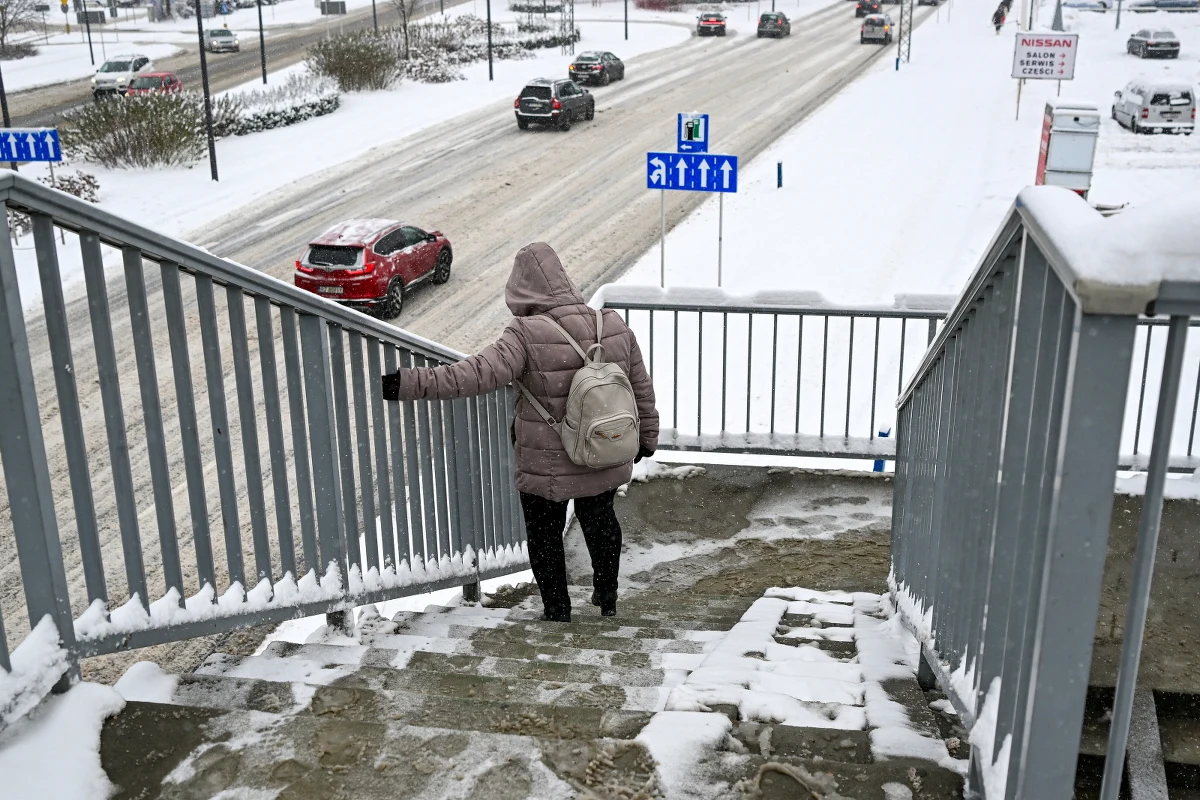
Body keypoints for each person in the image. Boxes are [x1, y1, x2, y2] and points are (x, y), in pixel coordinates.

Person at [380, 242, 658, 623]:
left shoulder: (524, 334)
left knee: (545, 537)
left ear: (522, 289)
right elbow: (640, 387)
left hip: (548, 463)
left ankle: (557, 613)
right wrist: (647, 437)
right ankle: (607, 597)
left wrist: (407, 384)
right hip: (604, 449)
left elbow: (473, 374)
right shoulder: (609, 323)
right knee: (601, 519)